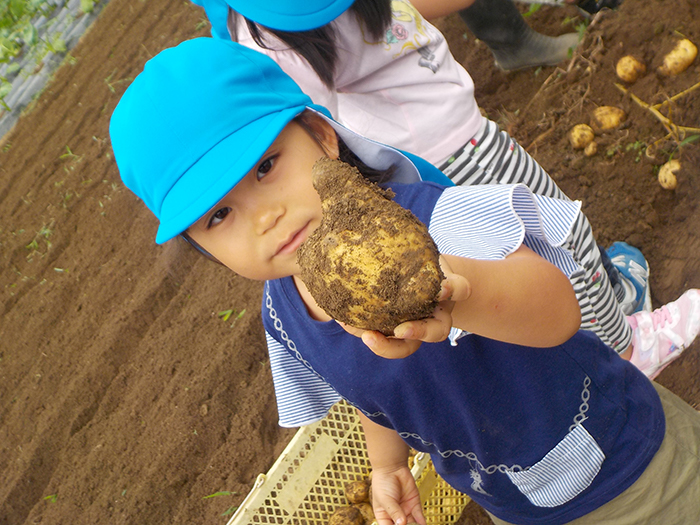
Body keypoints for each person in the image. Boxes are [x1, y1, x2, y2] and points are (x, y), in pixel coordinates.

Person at [109, 37, 700, 525]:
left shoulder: (432, 223)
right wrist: (387, 465)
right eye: (219, 215)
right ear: (204, 248)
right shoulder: (284, 316)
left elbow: (559, 314)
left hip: (630, 467)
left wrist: (461, 293)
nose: (265, 218)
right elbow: (364, 386)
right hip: (513, 501)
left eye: (265, 167)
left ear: (320, 136)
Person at [189, 0, 681, 378]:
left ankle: (603, 314)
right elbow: (311, 123)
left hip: (436, 152)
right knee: (558, 240)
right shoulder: (276, 35)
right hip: (455, 150)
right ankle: (626, 350)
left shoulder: (262, 23)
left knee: (523, 260)